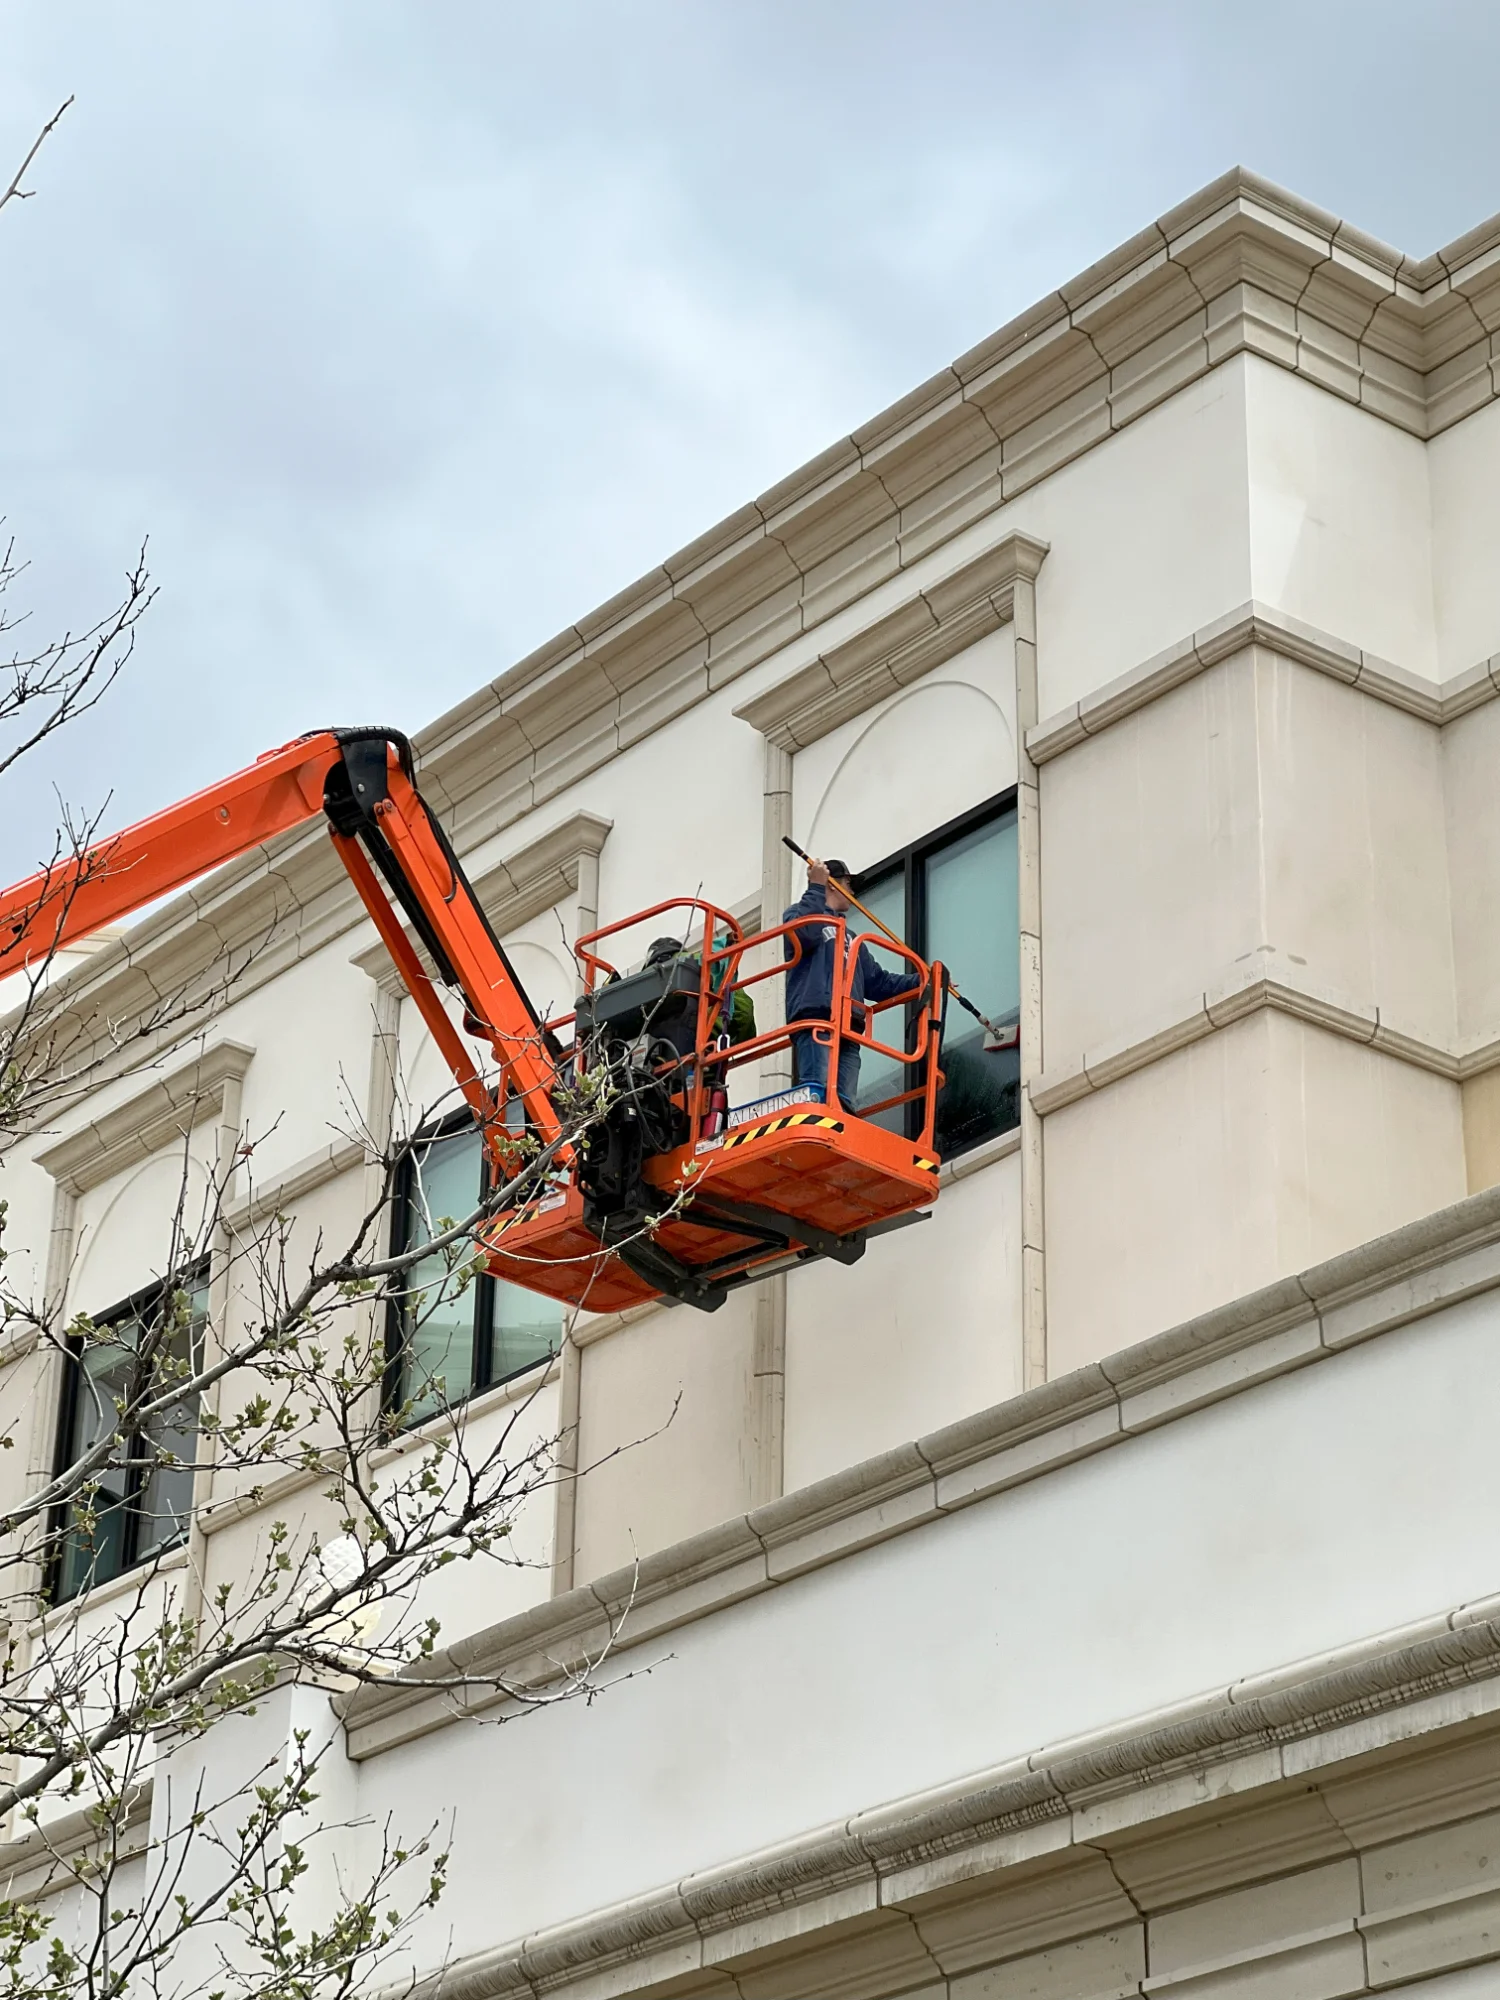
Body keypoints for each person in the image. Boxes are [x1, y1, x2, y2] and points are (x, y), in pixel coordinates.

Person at [782, 857, 919, 1107]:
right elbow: (804, 935)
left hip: (849, 1027)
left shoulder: (852, 939)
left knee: (844, 1107)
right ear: (832, 884)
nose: (852, 891)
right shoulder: (797, 914)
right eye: (848, 883)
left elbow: (878, 982)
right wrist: (814, 887)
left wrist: (922, 980)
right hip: (817, 1020)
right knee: (818, 1097)